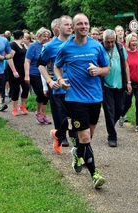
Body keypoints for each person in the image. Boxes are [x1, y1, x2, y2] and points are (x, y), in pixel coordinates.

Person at [54, 13, 110, 189]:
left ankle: (77, 152)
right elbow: (57, 66)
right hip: (75, 98)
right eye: (79, 24)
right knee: (85, 136)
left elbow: (107, 68)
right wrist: (60, 80)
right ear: (73, 27)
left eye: (86, 23)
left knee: (88, 136)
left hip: (95, 97)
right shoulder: (65, 48)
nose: (83, 26)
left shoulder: (97, 46)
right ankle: (95, 174)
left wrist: (98, 70)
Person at [38, 15, 74, 153]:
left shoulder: (77, 42)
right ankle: (60, 136)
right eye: (66, 25)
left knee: (76, 116)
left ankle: (72, 136)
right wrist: (49, 81)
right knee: (61, 118)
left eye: (71, 24)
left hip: (74, 88)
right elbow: (40, 65)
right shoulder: (50, 46)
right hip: (58, 88)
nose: (70, 27)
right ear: (58, 28)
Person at [102, 29, 131, 147]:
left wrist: (128, 82)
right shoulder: (99, 49)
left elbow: (126, 65)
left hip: (119, 84)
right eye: (107, 42)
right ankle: (112, 137)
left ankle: (110, 125)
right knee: (109, 111)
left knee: (119, 109)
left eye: (112, 42)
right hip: (105, 85)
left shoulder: (119, 47)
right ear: (103, 40)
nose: (110, 44)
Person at [24, 27, 51, 125]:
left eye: (48, 36)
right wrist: (27, 75)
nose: (46, 38)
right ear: (38, 36)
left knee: (47, 94)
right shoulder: (33, 46)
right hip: (34, 73)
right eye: (44, 36)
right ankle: (38, 112)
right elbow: (27, 61)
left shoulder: (48, 46)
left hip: (45, 74)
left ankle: (44, 115)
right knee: (40, 93)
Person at [6, 30, 29, 116]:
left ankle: (23, 106)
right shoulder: (12, 45)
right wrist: (14, 71)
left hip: (23, 70)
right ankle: (14, 108)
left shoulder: (22, 45)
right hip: (15, 70)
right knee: (16, 89)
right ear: (21, 36)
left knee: (26, 87)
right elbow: (9, 58)